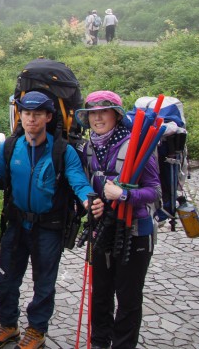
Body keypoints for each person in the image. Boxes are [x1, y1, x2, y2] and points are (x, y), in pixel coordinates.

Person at [0, 91, 103, 349]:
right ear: (21, 115)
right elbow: (3, 180)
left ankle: (37, 330)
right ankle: (9, 324)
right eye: (27, 114)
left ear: (48, 116)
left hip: (48, 227)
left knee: (44, 282)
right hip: (17, 224)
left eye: (37, 114)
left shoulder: (63, 151)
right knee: (6, 278)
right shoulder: (11, 147)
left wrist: (89, 200)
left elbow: (77, 179)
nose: (31, 119)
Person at [75, 91, 161, 349]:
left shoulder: (136, 145)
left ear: (116, 115)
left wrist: (123, 194)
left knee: (128, 298)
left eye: (104, 111)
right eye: (92, 113)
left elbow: (155, 191)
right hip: (103, 230)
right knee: (100, 294)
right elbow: (90, 186)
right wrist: (95, 202)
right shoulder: (89, 148)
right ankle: (100, 343)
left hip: (135, 232)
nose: (97, 118)